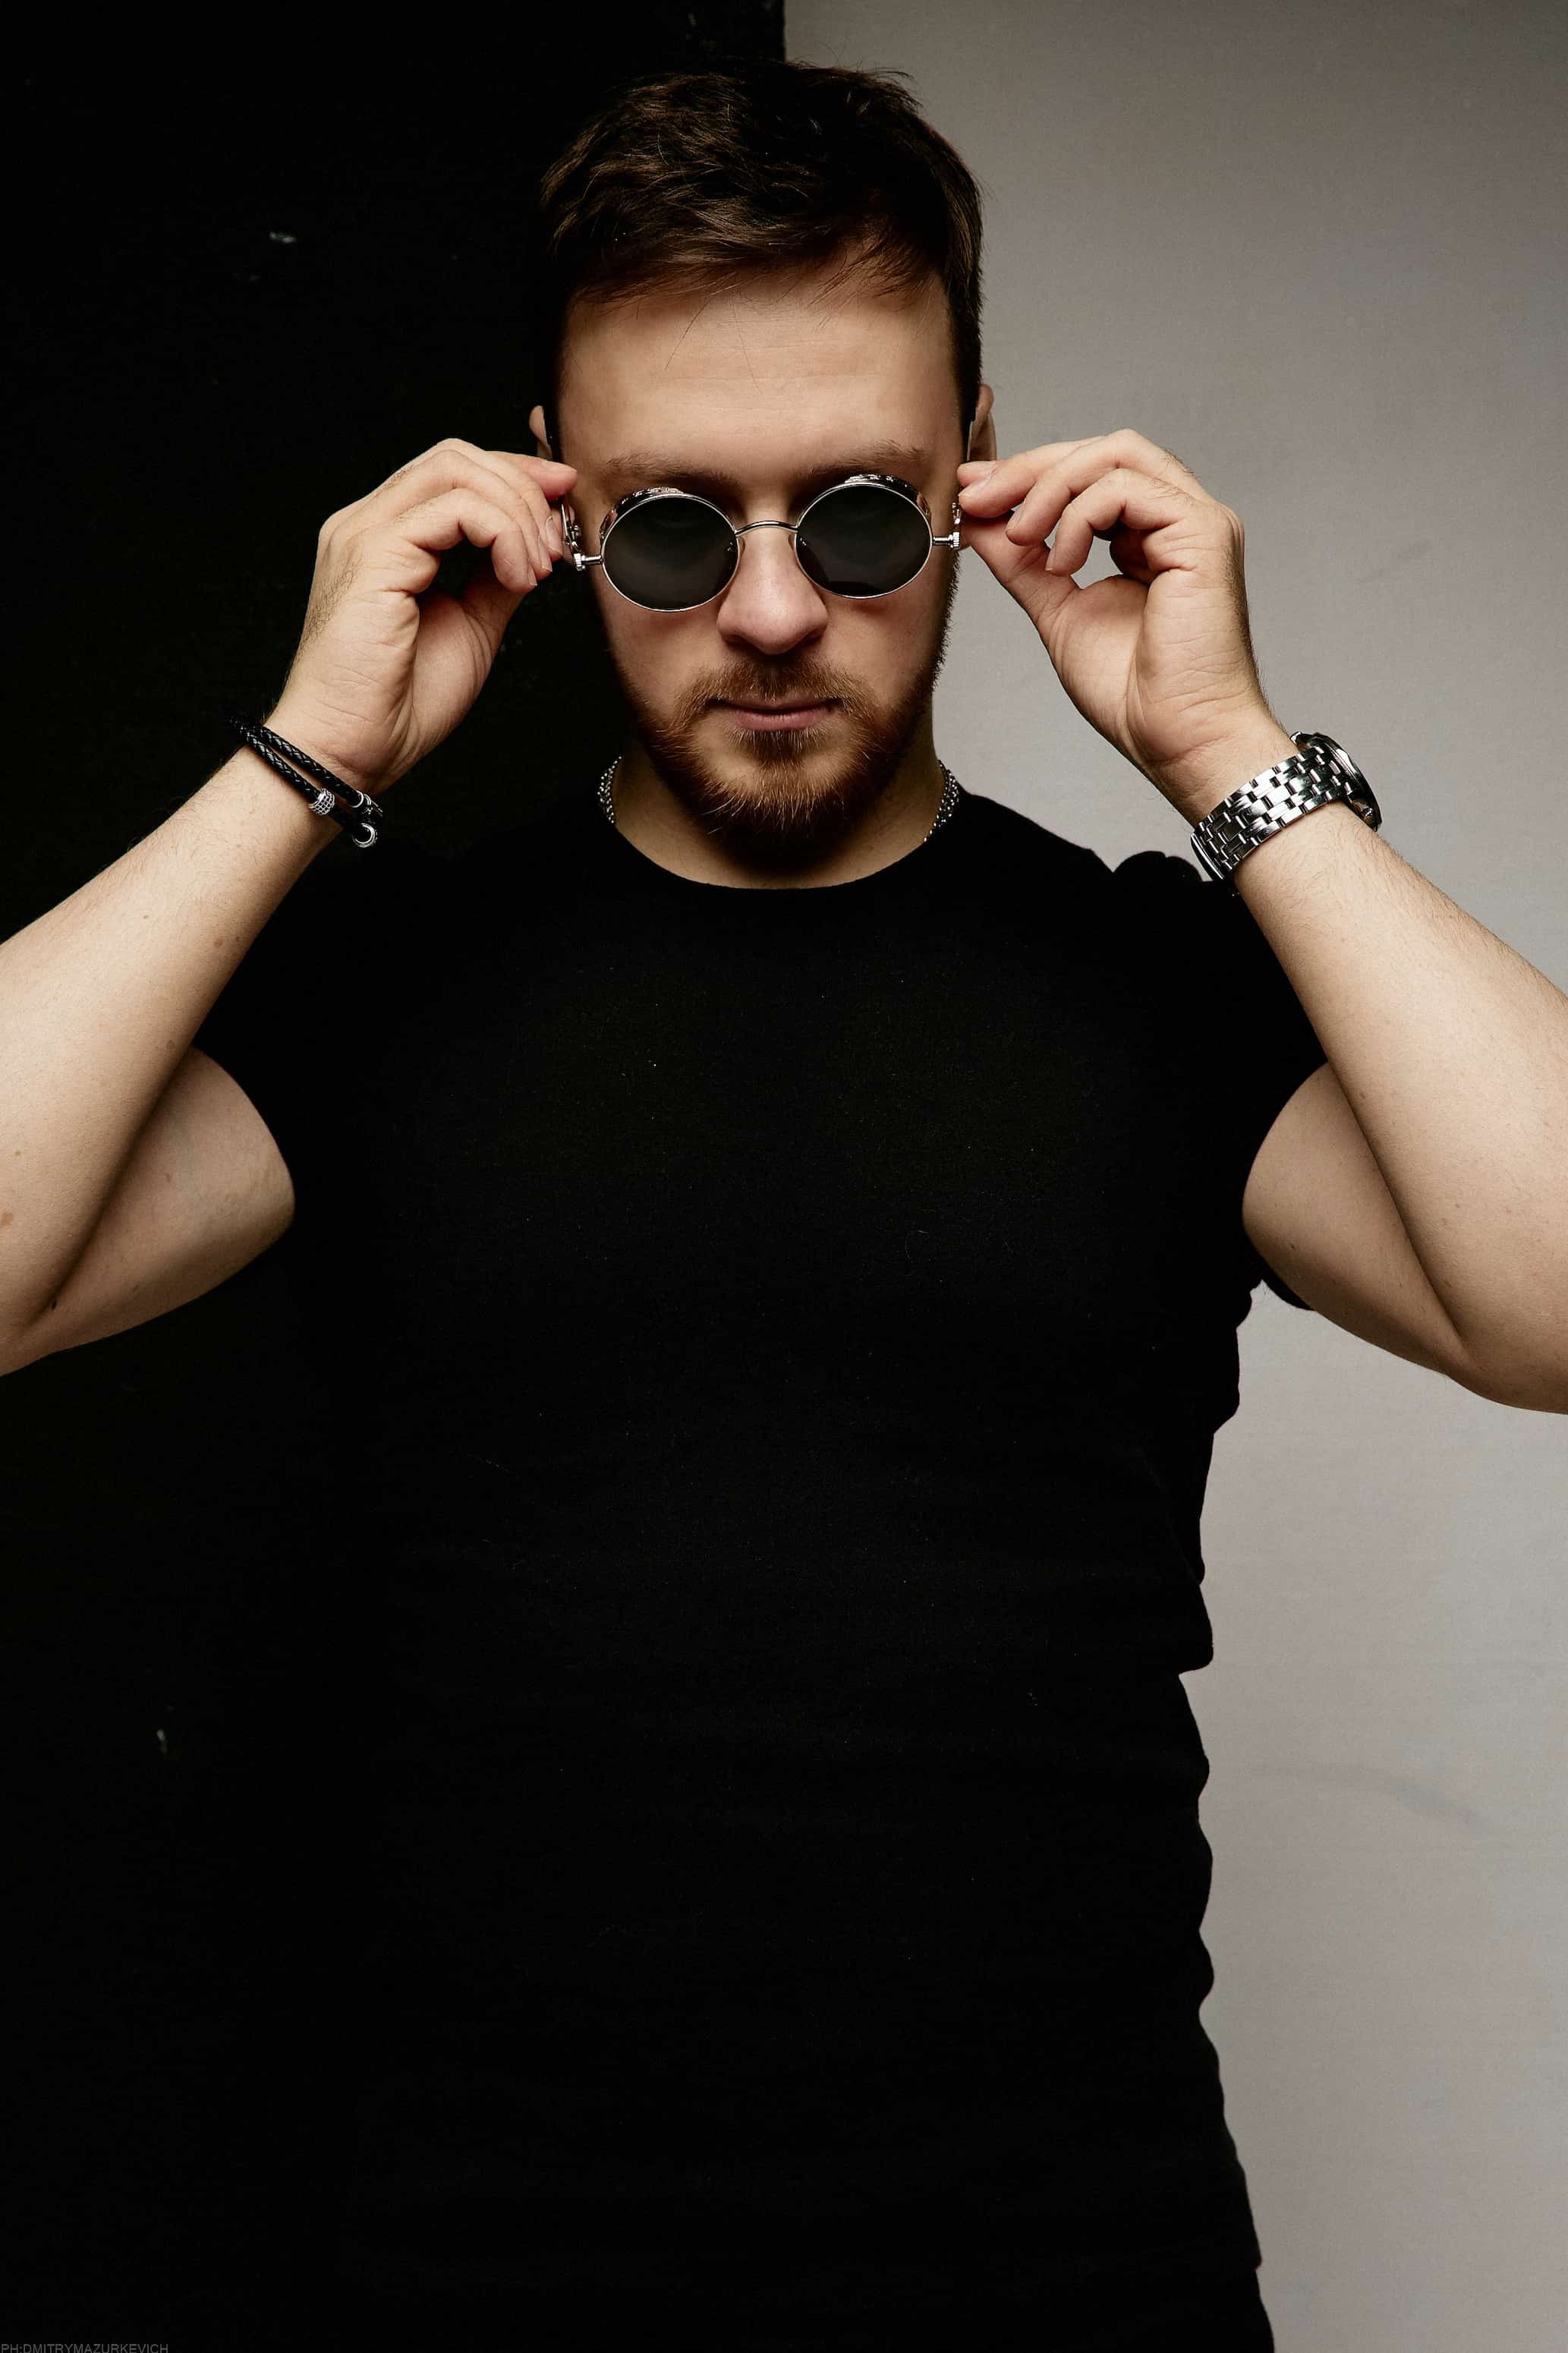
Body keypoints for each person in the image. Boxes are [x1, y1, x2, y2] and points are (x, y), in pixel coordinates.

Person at [7, 57, 1566, 2353]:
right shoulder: (384, 987)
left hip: (1067, 2275)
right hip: (467, 2273)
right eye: (667, 527)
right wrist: (307, 753)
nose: (760, 612)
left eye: (850, 518)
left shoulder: (1156, 987)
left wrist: (1231, 756)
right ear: (552, 490)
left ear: (972, 478)